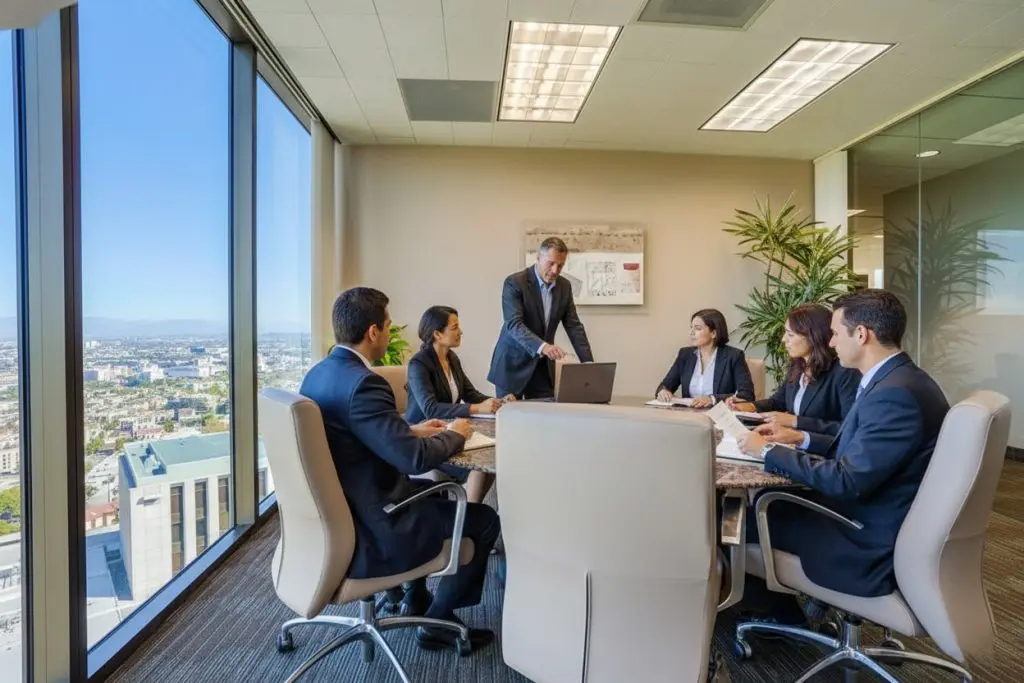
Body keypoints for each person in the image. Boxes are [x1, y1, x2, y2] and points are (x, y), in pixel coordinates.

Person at [299, 287, 500, 654]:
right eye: (389, 325)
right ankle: (439, 620)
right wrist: (456, 435)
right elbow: (414, 461)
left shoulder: (319, 375)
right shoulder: (365, 383)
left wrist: (411, 429)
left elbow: (357, 433)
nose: (392, 331)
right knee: (484, 520)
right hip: (378, 525)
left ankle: (416, 596)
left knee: (437, 498)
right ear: (373, 331)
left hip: (343, 512)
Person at [736, 289, 949, 624]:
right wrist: (801, 438)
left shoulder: (893, 395)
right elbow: (855, 449)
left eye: (835, 333)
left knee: (734, 523)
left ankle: (782, 618)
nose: (831, 342)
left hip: (863, 540)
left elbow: (847, 480)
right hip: (872, 513)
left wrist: (766, 450)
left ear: (861, 334)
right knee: (765, 499)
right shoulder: (898, 380)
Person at [406, 305, 515, 504]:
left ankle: (475, 510)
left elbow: (469, 393)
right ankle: (470, 514)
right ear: (437, 334)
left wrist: (499, 403)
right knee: (479, 466)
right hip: (427, 436)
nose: (461, 332)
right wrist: (477, 408)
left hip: (451, 431)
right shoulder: (418, 364)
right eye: (455, 327)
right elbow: (430, 408)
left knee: (492, 457)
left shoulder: (451, 358)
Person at [727, 303, 860, 452]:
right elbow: (778, 401)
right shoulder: (798, 365)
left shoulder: (844, 373)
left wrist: (796, 421)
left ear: (813, 336)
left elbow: (848, 428)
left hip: (821, 453)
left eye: (790, 335)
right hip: (791, 445)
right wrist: (748, 407)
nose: (784, 339)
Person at [488, 237, 593, 399]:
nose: (555, 270)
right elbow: (514, 324)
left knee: (546, 413)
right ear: (538, 257)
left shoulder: (564, 287)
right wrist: (543, 347)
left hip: (542, 368)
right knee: (510, 414)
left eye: (560, 265)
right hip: (512, 365)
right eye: (551, 263)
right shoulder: (514, 283)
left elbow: (574, 327)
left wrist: (588, 365)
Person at [655, 309, 754, 408]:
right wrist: (663, 391)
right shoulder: (685, 355)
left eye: (697, 328)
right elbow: (664, 386)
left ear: (713, 333)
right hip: (689, 414)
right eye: (691, 328)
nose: (691, 332)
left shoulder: (734, 356)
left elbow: (747, 395)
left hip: (719, 414)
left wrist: (712, 399)